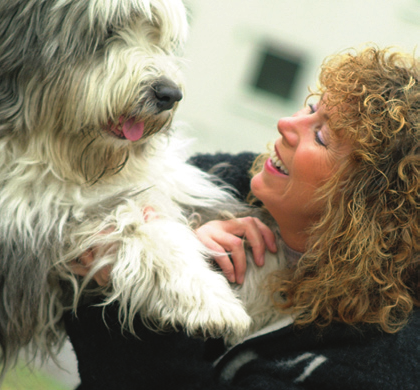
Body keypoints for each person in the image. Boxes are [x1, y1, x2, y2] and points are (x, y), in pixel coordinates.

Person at [64, 46, 420, 389]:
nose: (287, 123)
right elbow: (77, 219)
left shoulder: (379, 366)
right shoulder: (235, 180)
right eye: (312, 107)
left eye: (322, 135)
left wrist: (156, 284)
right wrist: (182, 237)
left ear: (370, 206)